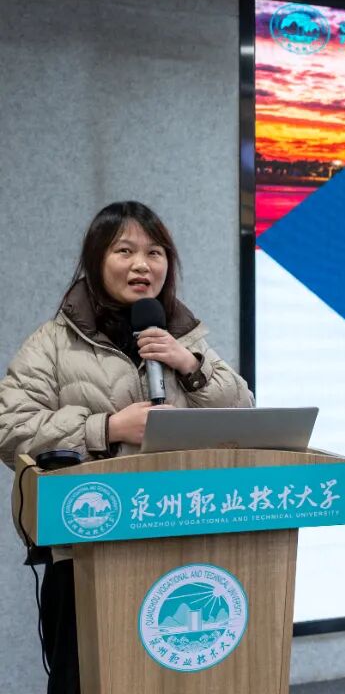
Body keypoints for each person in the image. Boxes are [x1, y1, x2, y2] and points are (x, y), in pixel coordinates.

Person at [0, 201, 253, 693]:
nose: (143, 264)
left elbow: (244, 413)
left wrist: (190, 365)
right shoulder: (54, 343)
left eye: (155, 252)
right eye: (125, 251)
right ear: (97, 260)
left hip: (186, 539)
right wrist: (109, 427)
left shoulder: (183, 338)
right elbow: (11, 430)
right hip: (87, 549)